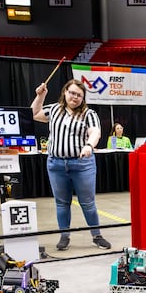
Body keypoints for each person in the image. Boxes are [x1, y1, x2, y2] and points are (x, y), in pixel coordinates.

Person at [31, 78, 111, 251]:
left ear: (83, 98)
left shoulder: (88, 114)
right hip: (56, 164)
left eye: (79, 95)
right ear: (65, 92)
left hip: (82, 164)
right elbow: (34, 114)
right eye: (72, 93)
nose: (75, 97)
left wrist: (89, 145)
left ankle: (96, 235)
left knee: (88, 203)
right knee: (61, 203)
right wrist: (40, 96)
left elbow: (95, 132)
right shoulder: (53, 109)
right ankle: (64, 236)